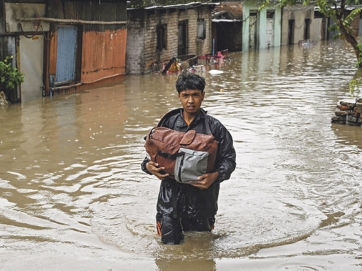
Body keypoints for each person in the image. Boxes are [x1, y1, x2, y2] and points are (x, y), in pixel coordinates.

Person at [141, 71, 236, 244]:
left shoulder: (215, 128)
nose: (190, 101)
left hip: (202, 203)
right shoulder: (167, 124)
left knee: (201, 250)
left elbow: (229, 160)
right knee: (169, 251)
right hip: (169, 202)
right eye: (186, 95)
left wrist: (214, 176)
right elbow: (150, 155)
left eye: (195, 95)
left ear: (203, 96)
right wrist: (148, 167)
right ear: (179, 96)